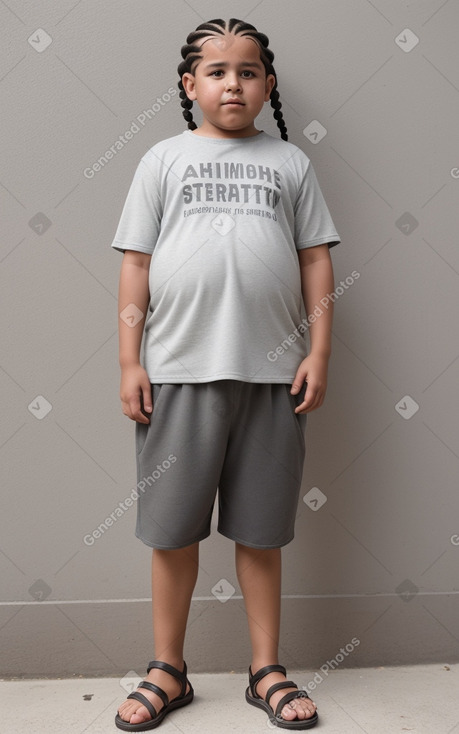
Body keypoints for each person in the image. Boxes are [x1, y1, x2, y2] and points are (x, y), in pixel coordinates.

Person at [111, 17, 341, 731]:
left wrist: (318, 352)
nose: (232, 83)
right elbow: (136, 263)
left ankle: (264, 668)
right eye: (216, 71)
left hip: (272, 376)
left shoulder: (289, 164)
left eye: (246, 71)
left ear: (266, 86)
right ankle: (167, 670)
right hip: (177, 371)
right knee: (173, 531)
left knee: (260, 532)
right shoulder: (162, 160)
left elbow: (313, 259)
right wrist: (129, 360)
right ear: (190, 85)